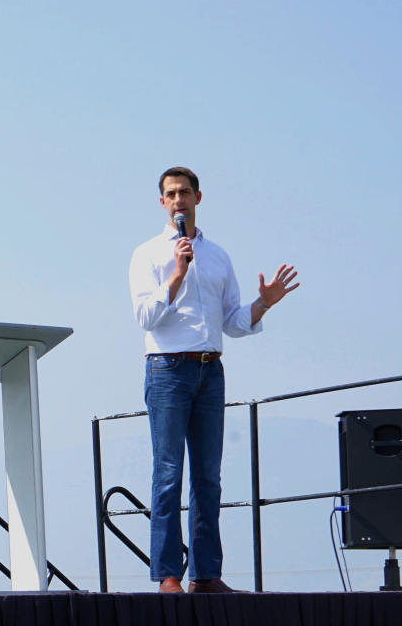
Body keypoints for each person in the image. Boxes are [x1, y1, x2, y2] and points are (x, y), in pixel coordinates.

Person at [128, 166, 299, 594]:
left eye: (185, 192)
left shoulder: (219, 255)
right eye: (170, 194)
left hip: (210, 368)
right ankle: (168, 575)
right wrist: (177, 274)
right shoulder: (147, 254)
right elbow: (145, 317)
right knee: (168, 472)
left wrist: (264, 303)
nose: (178, 200)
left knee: (208, 477)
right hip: (166, 369)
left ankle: (206, 575)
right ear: (161, 202)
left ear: (199, 198)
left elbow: (233, 321)